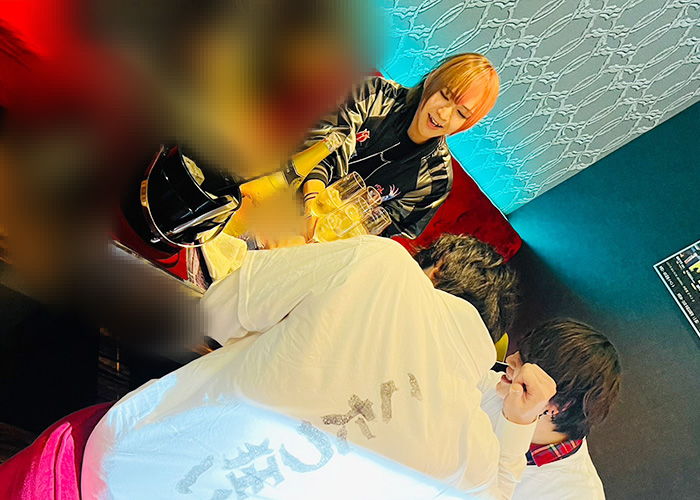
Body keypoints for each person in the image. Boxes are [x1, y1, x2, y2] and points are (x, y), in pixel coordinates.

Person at [81, 235, 554, 500]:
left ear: (436, 267)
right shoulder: (473, 447)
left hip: (118, 467)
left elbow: (217, 309)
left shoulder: (384, 263)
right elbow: (497, 492)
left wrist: (279, 342)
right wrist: (518, 422)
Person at [301, 53, 500, 239]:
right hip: (297, 186)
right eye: (445, 96)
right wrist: (311, 213)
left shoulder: (436, 180)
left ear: (466, 124)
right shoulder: (375, 95)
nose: (444, 114)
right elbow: (322, 147)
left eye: (461, 113)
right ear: (431, 79)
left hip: (333, 240)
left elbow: (381, 232)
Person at [479, 320, 622, 500]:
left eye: (527, 363)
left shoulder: (577, 494)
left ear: (559, 406)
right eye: (520, 351)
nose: (510, 359)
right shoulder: (490, 385)